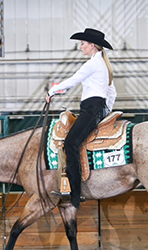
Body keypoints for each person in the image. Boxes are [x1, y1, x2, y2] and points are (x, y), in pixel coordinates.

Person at [46, 28, 117, 209]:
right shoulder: (103, 64)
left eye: (83, 44)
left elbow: (72, 80)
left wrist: (52, 91)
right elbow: (112, 92)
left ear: (92, 45)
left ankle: (74, 192)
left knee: (71, 143)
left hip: (90, 109)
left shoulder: (93, 64)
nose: (80, 47)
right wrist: (106, 110)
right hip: (96, 108)